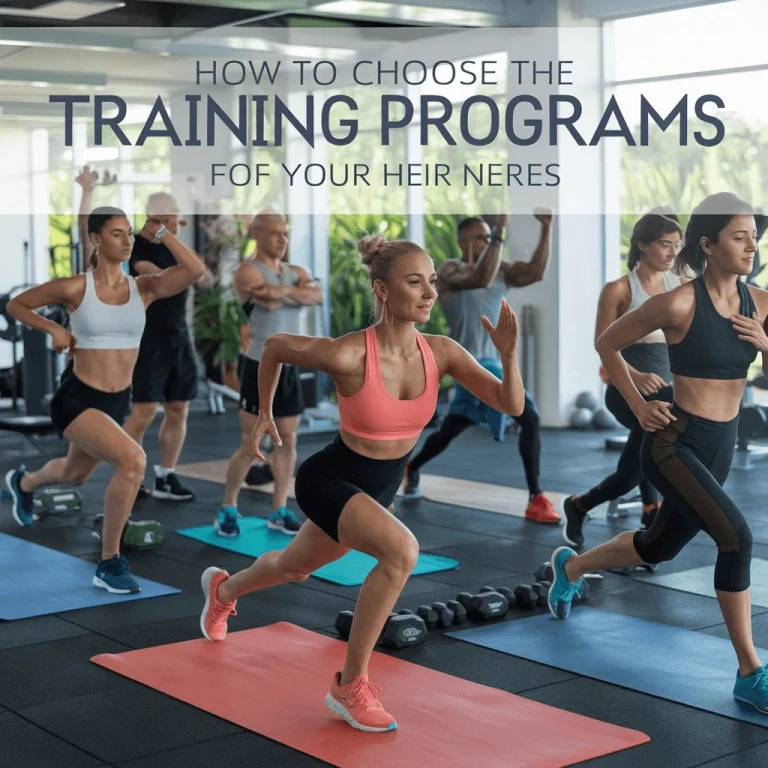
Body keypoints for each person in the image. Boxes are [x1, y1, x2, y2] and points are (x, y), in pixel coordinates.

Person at [199, 233, 524, 732]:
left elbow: (510, 404)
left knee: (293, 567)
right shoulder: (350, 354)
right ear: (382, 289)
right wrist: (263, 410)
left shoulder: (442, 352)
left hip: (375, 490)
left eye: (431, 282)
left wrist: (509, 355)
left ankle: (223, 590)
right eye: (414, 282)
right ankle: (349, 686)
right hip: (328, 479)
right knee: (401, 552)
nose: (430, 293)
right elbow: (276, 346)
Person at [547, 192, 768, 713]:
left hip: (721, 446)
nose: (752, 246)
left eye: (754, 238)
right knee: (736, 538)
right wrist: (637, 404)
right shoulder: (679, 302)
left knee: (657, 546)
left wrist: (765, 344)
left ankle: (570, 568)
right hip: (674, 442)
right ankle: (750, 672)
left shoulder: (761, 303)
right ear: (707, 244)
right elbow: (606, 342)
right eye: (740, 237)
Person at [4, 206, 205, 594]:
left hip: (117, 402)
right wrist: (52, 328)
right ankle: (109, 563)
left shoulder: (143, 288)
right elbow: (16, 304)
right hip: (77, 399)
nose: (127, 241)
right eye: (117, 234)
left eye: (129, 233)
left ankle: (24, 482)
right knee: (133, 461)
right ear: (95, 239)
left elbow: (194, 270)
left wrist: (162, 233)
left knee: (74, 474)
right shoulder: (75, 287)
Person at [403, 211, 559, 524]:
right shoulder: (449, 271)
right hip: (463, 362)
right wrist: (499, 230)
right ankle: (535, 497)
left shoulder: (501, 268)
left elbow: (535, 272)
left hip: (494, 363)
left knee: (455, 426)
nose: (487, 241)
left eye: (489, 236)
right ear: (462, 242)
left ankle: (414, 466)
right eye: (480, 236)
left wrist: (546, 228)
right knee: (525, 417)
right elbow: (479, 279)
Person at [562, 212, 686, 547]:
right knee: (641, 457)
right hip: (625, 390)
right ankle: (630, 508)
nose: (673, 252)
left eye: (677, 245)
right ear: (642, 245)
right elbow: (602, 344)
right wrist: (636, 375)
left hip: (665, 391)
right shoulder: (619, 289)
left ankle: (603, 507)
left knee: (644, 454)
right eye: (665, 244)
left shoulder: (679, 286)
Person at [214, 210, 323, 538]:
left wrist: (281, 292)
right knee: (252, 444)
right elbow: (268, 301)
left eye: (284, 233)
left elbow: (316, 296)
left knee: (288, 440)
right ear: (256, 234)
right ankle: (228, 507)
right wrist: (295, 293)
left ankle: (278, 509)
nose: (282, 239)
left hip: (289, 366)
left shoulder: (296, 271)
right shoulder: (247, 271)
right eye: (275, 233)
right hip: (259, 365)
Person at [121, 192, 214, 502]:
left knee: (178, 408)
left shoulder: (178, 248)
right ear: (153, 216)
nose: (175, 220)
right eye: (168, 216)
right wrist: (180, 259)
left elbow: (205, 280)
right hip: (148, 336)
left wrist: (179, 250)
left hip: (178, 334)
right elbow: (156, 276)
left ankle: (166, 476)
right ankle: (128, 474)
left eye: (176, 214)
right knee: (143, 412)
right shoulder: (135, 244)